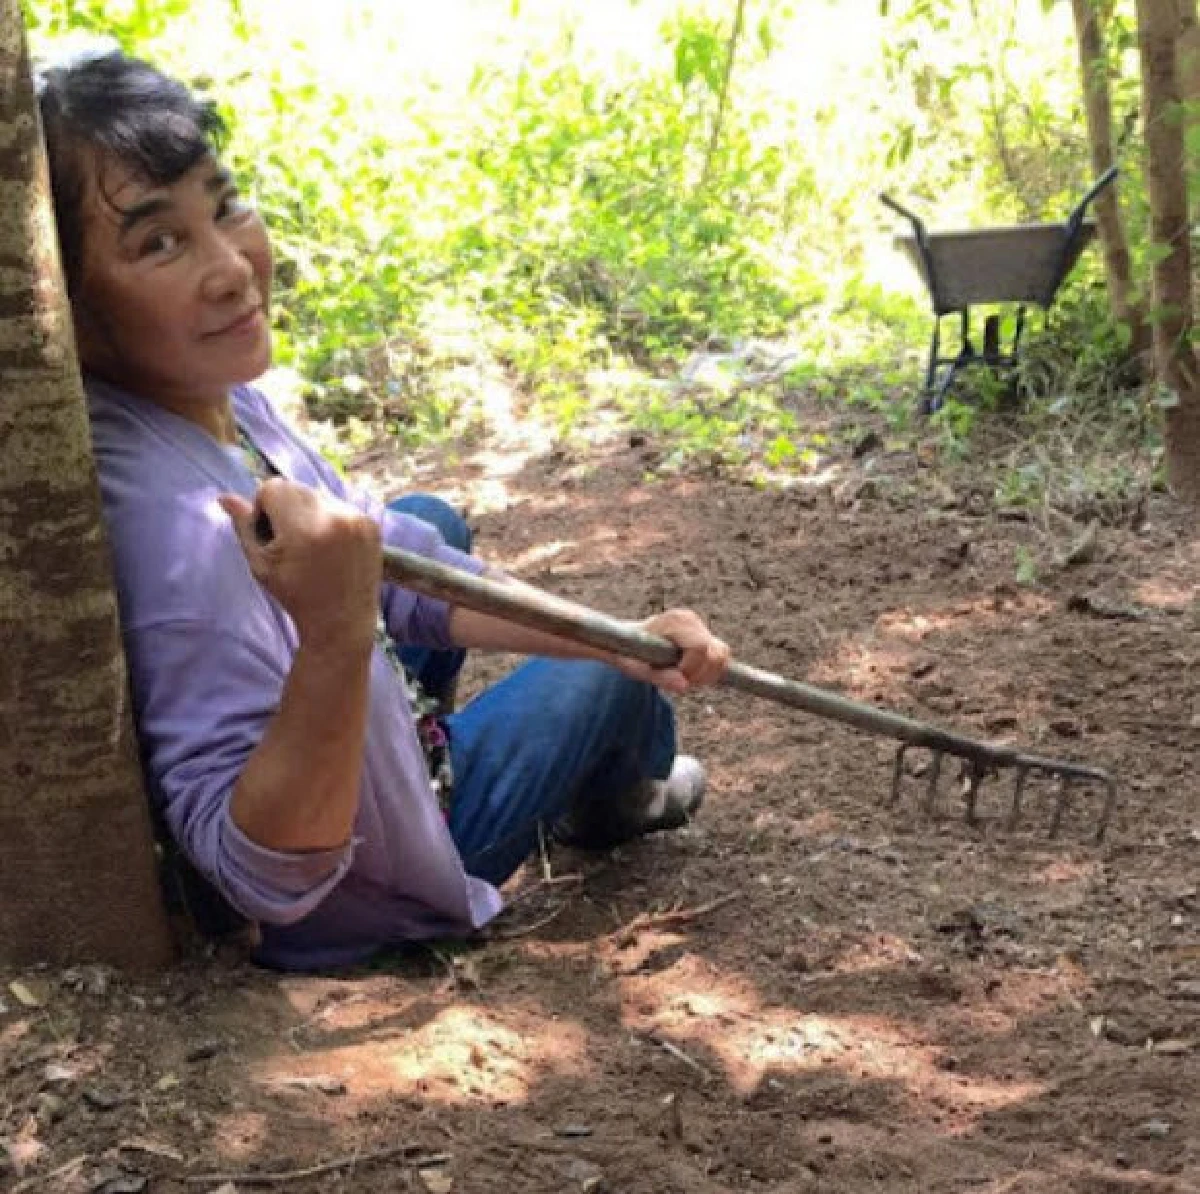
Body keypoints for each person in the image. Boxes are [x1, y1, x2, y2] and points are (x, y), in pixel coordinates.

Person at [34, 49, 731, 971]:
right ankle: (621, 800)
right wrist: (334, 637)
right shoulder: (186, 539)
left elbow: (395, 556)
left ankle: (481, 741)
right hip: (373, 884)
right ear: (65, 310)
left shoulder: (208, 401)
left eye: (225, 202)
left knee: (429, 522)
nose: (233, 268)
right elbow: (265, 881)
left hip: (371, 759)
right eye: (158, 242)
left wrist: (609, 628)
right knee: (609, 682)